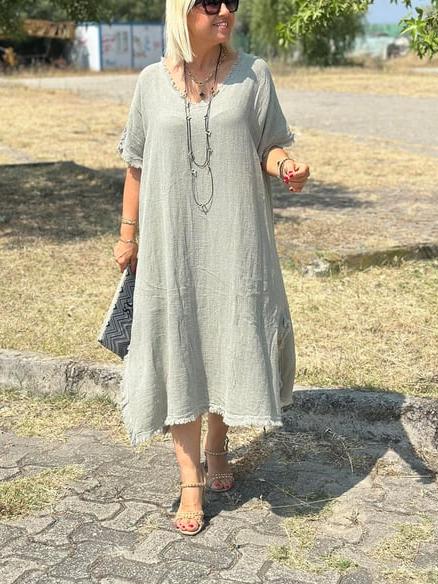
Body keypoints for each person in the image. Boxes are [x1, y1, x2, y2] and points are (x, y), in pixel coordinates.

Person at [112, 0, 310, 536]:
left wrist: (286, 166)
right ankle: (189, 481)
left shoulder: (253, 74)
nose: (224, 10)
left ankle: (218, 445)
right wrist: (127, 235)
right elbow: (135, 164)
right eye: (210, 2)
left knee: (224, 339)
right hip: (170, 246)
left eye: (231, 2)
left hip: (236, 241)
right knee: (179, 344)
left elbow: (269, 145)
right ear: (183, 11)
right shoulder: (151, 82)